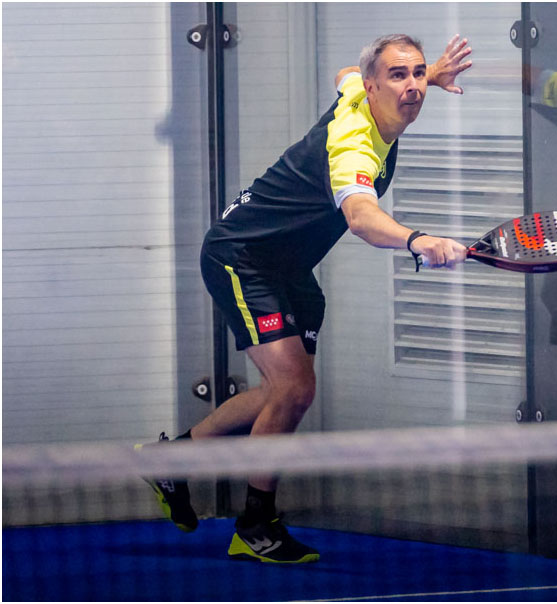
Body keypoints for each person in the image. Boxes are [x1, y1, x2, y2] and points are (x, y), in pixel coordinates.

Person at [142, 33, 473, 563]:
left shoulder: (356, 91)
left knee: (286, 391)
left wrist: (428, 75)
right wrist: (418, 240)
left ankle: (170, 463)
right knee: (294, 388)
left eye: (416, 73)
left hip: (290, 268)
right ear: (374, 87)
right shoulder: (353, 146)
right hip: (242, 258)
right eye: (398, 75)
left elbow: (345, 73)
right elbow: (361, 218)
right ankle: (255, 525)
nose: (412, 86)